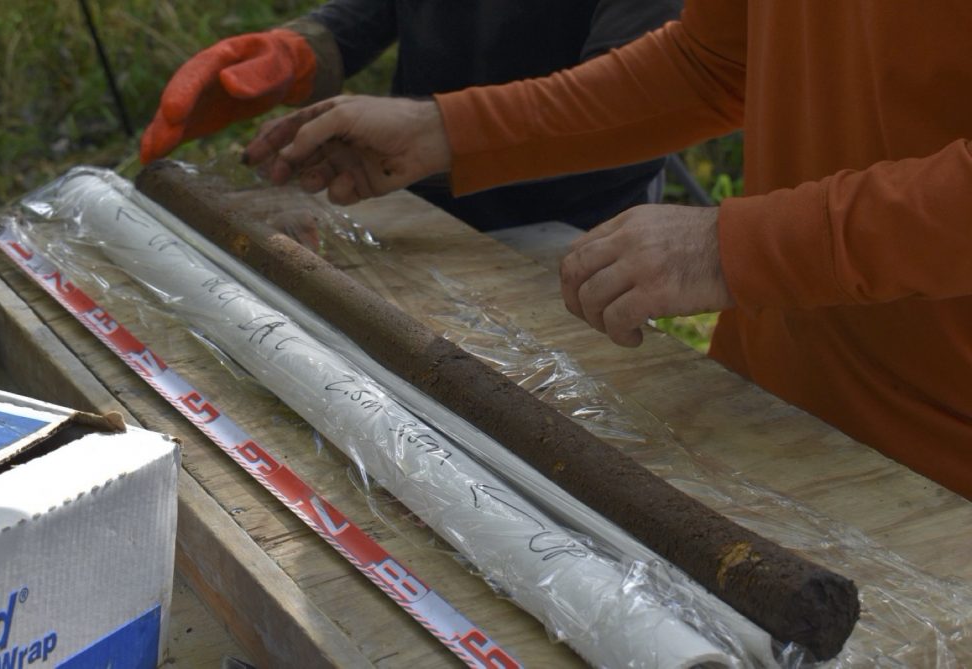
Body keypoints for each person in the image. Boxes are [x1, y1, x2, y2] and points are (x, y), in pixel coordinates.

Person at [240, 2, 972, 500]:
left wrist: (739, 248)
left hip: (943, 472)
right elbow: (711, 63)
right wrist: (450, 130)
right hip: (763, 406)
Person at [139, 0, 682, 231]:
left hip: (571, 235)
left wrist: (441, 129)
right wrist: (306, 51)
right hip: (416, 203)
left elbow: (634, 109)